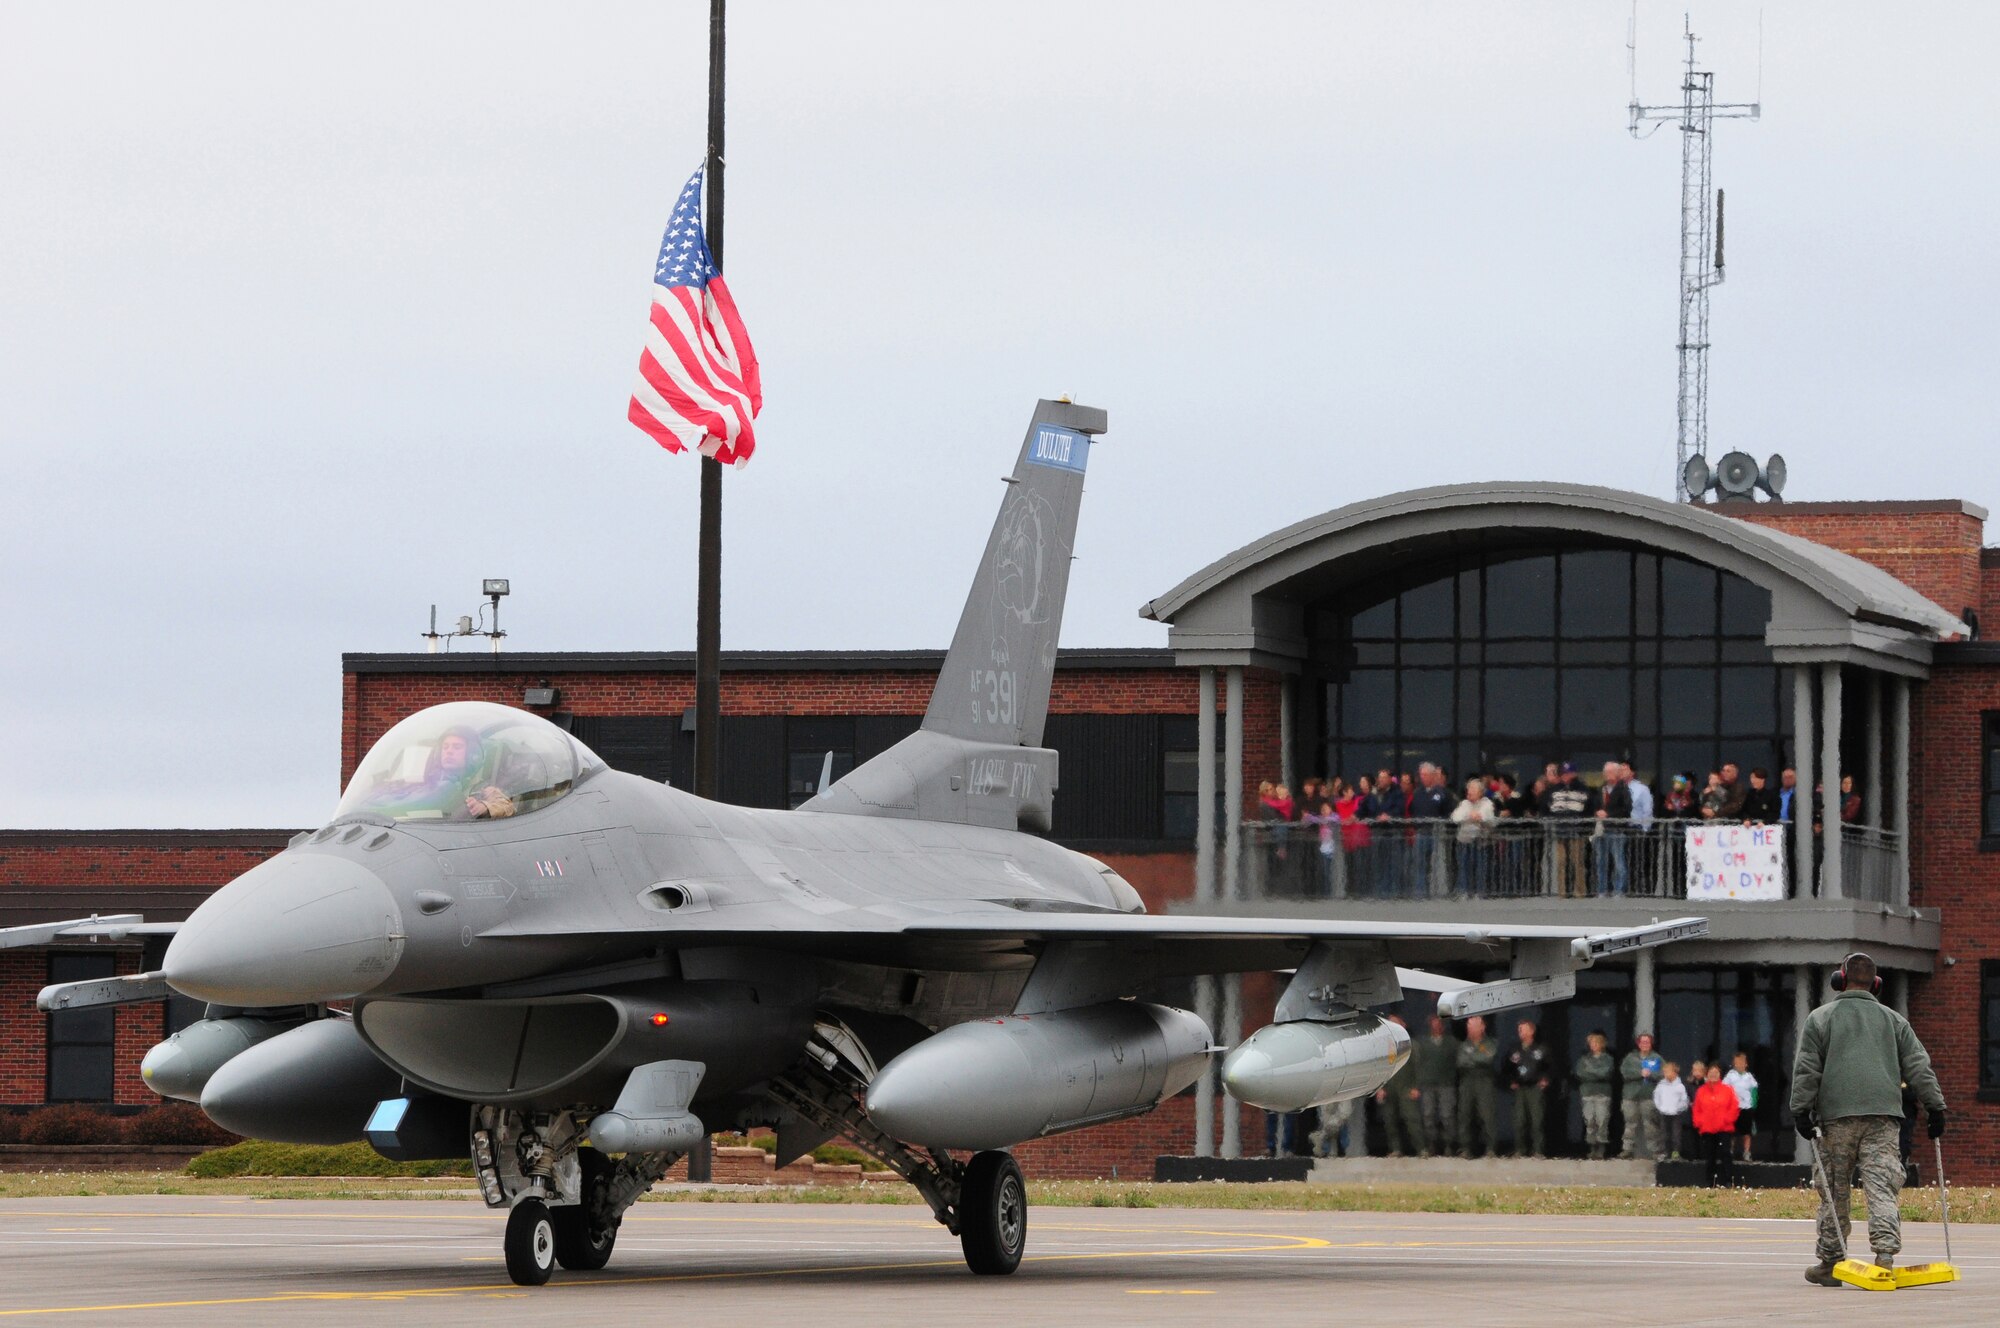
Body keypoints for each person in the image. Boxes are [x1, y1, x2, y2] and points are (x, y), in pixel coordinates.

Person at [1792, 952, 1946, 1286]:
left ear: (1840, 980)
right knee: (1882, 1187)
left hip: (1835, 1119)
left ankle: (1831, 1261)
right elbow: (1919, 1066)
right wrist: (1936, 1107)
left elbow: (1807, 1070)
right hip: (1883, 1118)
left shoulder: (1820, 1018)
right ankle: (1885, 1255)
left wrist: (1800, 1109)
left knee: (1834, 1190)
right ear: (1876, 984)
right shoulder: (1894, 1021)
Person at [1374, 1015, 1427, 1156]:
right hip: (1389, 1087)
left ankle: (1421, 1149)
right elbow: (1379, 1069)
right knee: (1389, 1120)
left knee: (1412, 1119)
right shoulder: (1383, 1047)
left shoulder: (1411, 1045)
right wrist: (1379, 1087)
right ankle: (1395, 1149)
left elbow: (1418, 1068)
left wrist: (1416, 1087)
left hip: (1406, 1087)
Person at [1539, 763, 1593, 898]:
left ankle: (1579, 892)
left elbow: (1589, 809)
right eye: (1563, 773)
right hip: (1560, 831)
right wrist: (1551, 818)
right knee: (1561, 862)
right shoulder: (1554, 790)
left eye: (1568, 773)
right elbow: (1545, 807)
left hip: (1577, 831)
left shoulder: (1583, 789)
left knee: (1577, 862)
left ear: (1574, 774)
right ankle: (1562, 892)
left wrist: (1586, 828)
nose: (1565, 776)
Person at [1503, 1020, 1555, 1157]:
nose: (1520, 1032)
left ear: (1531, 1031)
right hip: (1520, 1088)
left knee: (1536, 1120)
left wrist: (1545, 1079)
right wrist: (1511, 1081)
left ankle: (1538, 1150)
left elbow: (1550, 1067)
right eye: (1519, 1029)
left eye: (1523, 1029)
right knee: (1519, 1120)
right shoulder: (1514, 1049)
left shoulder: (1541, 1049)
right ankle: (1520, 1150)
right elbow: (1506, 1068)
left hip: (1535, 1088)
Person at [1411, 1015, 1460, 1157]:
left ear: (1443, 1026)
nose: (1436, 1026)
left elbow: (1458, 1062)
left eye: (1439, 1024)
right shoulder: (1422, 1043)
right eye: (1433, 1024)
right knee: (1428, 1115)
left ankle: (1449, 1145)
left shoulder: (1452, 1043)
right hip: (1427, 1084)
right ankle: (1431, 1144)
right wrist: (1417, 1083)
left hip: (1446, 1084)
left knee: (1447, 1115)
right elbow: (1417, 1064)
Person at [1456, 1015, 1501, 1158]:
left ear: (1482, 1027)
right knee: (1465, 1114)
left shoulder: (1490, 1043)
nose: (1470, 1028)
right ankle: (1466, 1148)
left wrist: (1473, 1059)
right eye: (1469, 1025)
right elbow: (1460, 1062)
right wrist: (1476, 1059)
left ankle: (1491, 1148)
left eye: (1474, 1025)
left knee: (1487, 1115)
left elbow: (1488, 1058)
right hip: (1467, 1083)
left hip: (1484, 1083)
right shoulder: (1463, 1045)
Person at [1691, 1063, 1740, 1187]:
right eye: (1711, 1072)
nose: (1713, 1075)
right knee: (1710, 1156)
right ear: (1707, 1074)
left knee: (1726, 1154)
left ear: (1720, 1075)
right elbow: (1697, 1109)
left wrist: (1726, 1120)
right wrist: (1700, 1123)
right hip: (1707, 1129)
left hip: (1724, 1128)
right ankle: (1710, 1182)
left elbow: (1734, 1107)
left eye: (1716, 1072)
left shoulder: (1728, 1090)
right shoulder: (1701, 1091)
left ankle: (1728, 1180)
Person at [1619, 1032, 1664, 1159]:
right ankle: (1627, 1149)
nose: (1645, 1044)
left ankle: (1655, 1151)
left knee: (1651, 1125)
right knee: (1629, 1123)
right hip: (1630, 1096)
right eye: (1642, 1042)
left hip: (1648, 1097)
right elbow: (1624, 1072)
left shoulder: (1657, 1058)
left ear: (1651, 1044)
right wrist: (1640, 1073)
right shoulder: (1630, 1058)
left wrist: (1651, 1075)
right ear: (1638, 1043)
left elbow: (1664, 1074)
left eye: (1647, 1042)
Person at [1573, 1030, 1617, 1159]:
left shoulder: (1608, 1059)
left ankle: (1601, 1148)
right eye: (1591, 1043)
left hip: (1603, 1094)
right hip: (1587, 1093)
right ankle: (1592, 1147)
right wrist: (1596, 1073)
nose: (1593, 1045)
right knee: (1590, 1121)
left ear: (1601, 1044)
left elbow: (1606, 1073)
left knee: (1602, 1121)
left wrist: (1591, 1072)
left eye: (1596, 1042)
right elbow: (1580, 1073)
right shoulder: (1584, 1059)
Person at [1449, 776, 1493, 895]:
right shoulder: (1464, 803)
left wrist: (1477, 816)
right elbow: (1455, 818)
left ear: (1480, 792)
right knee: (1464, 868)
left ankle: (1480, 893)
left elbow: (1486, 817)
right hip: (1464, 842)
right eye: (1469, 789)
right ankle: (1464, 892)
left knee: (1479, 869)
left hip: (1480, 842)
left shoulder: (1487, 803)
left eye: (1473, 789)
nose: (1469, 791)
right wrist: (1470, 815)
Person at [1594, 761, 1632, 895]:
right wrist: (1597, 812)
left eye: (1611, 772)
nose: (1608, 775)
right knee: (1601, 862)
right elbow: (1595, 805)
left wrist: (1608, 814)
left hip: (1617, 830)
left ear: (1617, 774)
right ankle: (1601, 890)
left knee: (1618, 862)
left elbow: (1626, 810)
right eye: (1606, 773)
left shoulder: (1623, 789)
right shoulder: (1601, 789)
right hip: (1601, 830)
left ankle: (1619, 890)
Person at [1723, 1051, 1760, 1162]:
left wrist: (1753, 1105)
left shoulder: (1749, 1077)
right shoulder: (1730, 1076)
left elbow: (1754, 1091)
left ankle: (1747, 1152)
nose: (1739, 1064)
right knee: (1732, 1133)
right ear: (1734, 1064)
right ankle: (1730, 1151)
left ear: (1746, 1064)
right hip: (1733, 1109)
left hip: (1746, 1109)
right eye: (1737, 1062)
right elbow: (1724, 1089)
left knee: (1746, 1133)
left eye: (1741, 1062)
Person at [1653, 1061, 1690, 1161]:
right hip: (1663, 1113)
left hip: (1675, 1114)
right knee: (1664, 1134)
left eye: (1668, 1072)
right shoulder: (1661, 1085)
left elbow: (1684, 1100)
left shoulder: (1680, 1086)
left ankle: (1675, 1153)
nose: (1666, 1074)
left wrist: (1677, 1109)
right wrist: (1660, 1107)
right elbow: (1656, 1097)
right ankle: (1665, 1152)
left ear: (1675, 1073)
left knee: (1676, 1134)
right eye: (1664, 1072)